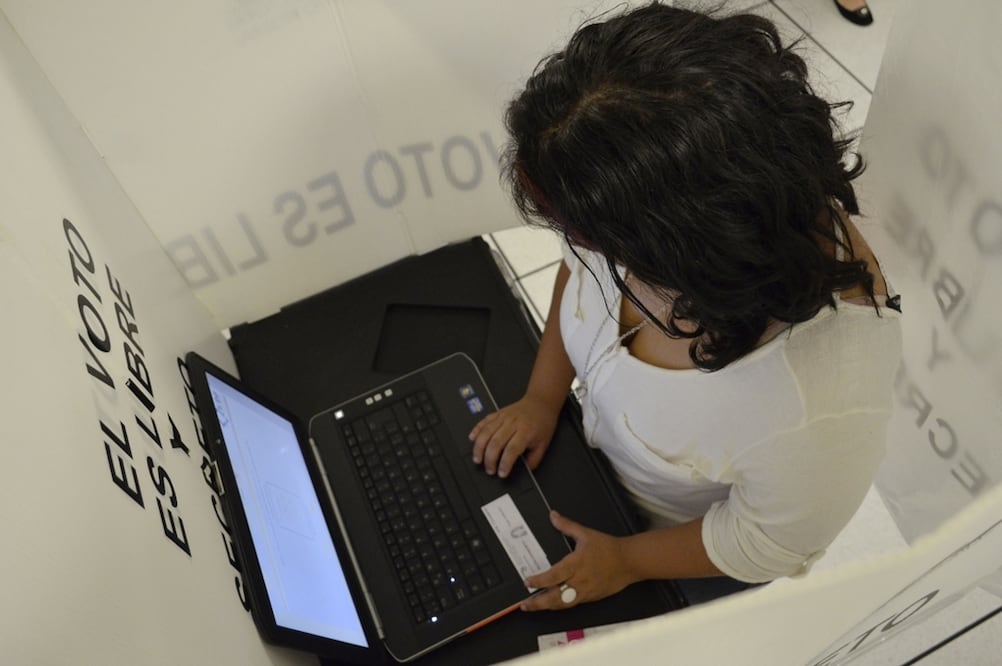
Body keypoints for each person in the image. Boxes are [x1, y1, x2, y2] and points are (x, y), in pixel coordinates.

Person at [468, 3, 902, 612]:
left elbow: (766, 540)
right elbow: (580, 273)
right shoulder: (642, 212)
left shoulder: (819, 401)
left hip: (675, 546)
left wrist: (626, 561)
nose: (578, 249)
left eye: (585, 235)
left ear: (679, 255)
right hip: (592, 476)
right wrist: (543, 398)